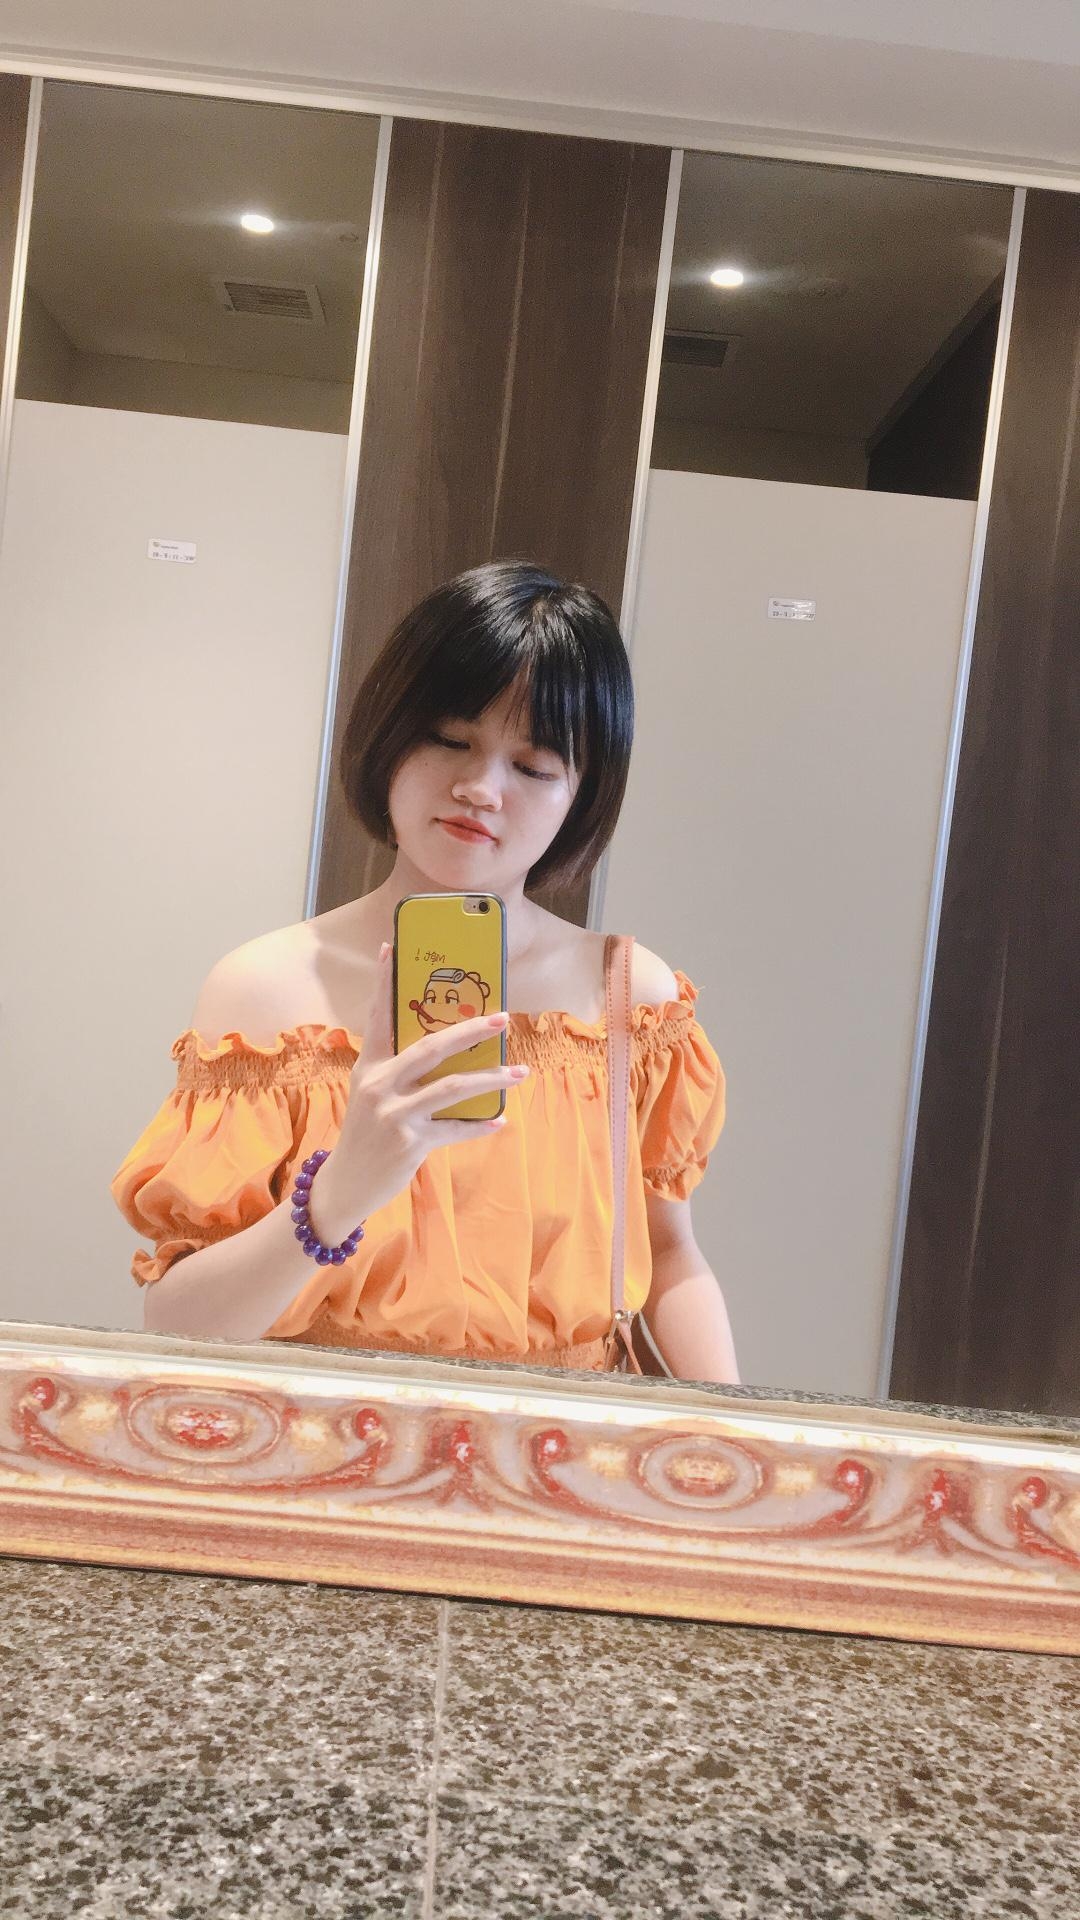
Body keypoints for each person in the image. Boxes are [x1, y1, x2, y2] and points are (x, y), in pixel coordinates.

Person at [111, 560, 740, 1380]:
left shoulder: (629, 1000)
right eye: (450, 740)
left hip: (557, 1443)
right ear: (392, 735)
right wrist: (342, 1189)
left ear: (582, 795)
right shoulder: (266, 993)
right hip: (327, 1441)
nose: (480, 788)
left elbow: (671, 1257)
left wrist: (732, 1437)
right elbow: (178, 1325)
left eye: (534, 767)